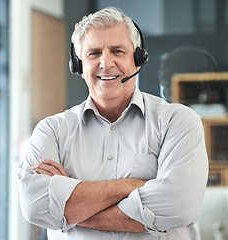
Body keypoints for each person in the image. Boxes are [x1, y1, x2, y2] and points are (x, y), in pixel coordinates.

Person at [17, 7, 208, 240]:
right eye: (94, 53)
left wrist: (68, 205)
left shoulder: (177, 122)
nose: (106, 63)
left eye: (117, 51)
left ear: (139, 59)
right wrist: (131, 186)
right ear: (78, 66)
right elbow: (35, 207)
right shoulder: (52, 132)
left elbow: (179, 206)